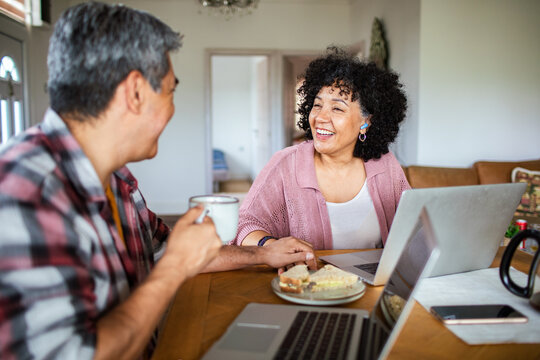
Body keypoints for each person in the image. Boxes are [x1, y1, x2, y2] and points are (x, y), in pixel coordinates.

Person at [0, 3, 315, 359]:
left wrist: (261, 253)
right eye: (170, 91)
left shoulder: (117, 179)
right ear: (135, 93)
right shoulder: (28, 192)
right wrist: (174, 268)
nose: (172, 108)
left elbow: (168, 250)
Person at [232, 47, 410, 251]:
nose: (320, 118)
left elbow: (413, 226)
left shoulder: (385, 164)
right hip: (310, 282)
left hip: (371, 283)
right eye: (317, 106)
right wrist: (269, 244)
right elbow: (243, 225)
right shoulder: (286, 164)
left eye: (337, 108)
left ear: (366, 121)